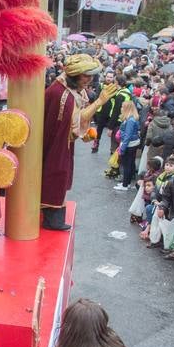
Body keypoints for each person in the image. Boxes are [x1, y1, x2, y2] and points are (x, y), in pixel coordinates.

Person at [40, 54, 102, 231]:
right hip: (57, 143)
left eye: (91, 76)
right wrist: (99, 101)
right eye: (86, 76)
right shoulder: (62, 95)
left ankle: (53, 215)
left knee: (59, 173)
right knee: (56, 172)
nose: (89, 80)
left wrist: (85, 133)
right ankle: (52, 218)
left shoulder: (69, 89)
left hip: (62, 140)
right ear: (75, 75)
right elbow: (75, 122)